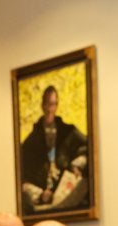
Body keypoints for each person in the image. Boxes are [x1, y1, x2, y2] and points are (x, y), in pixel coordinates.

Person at [19, 86, 90, 214]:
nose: (50, 108)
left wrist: (77, 165)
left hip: (65, 192)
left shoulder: (68, 131)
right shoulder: (31, 141)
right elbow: (22, 178)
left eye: (53, 104)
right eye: (47, 104)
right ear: (42, 105)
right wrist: (40, 194)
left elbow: (89, 147)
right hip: (42, 199)